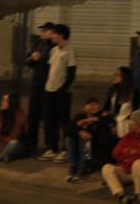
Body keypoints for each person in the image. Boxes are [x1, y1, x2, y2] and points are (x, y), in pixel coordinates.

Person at [38, 23, 76, 161]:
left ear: (61, 35)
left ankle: (65, 150)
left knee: (63, 121)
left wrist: (63, 89)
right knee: (49, 120)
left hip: (62, 93)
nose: (52, 36)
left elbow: (71, 74)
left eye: (54, 33)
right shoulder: (53, 50)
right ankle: (52, 148)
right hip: (49, 90)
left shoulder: (69, 51)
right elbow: (50, 69)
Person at [100, 109, 140, 204]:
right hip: (125, 169)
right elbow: (115, 153)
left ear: (139, 123)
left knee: (139, 163)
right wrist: (129, 152)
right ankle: (121, 195)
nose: (129, 123)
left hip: (139, 171)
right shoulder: (128, 136)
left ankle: (139, 194)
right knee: (107, 168)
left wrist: (126, 153)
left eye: (132, 121)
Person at [66, 97, 112, 182]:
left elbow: (109, 119)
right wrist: (80, 132)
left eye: (95, 105)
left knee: (84, 140)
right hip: (80, 145)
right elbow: (68, 129)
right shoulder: (79, 116)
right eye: (90, 105)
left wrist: (90, 120)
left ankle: (81, 170)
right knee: (70, 138)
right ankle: (72, 167)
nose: (93, 107)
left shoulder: (101, 115)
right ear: (85, 107)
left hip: (94, 146)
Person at [24, 22, 53, 153]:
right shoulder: (38, 43)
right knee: (33, 113)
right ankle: (31, 142)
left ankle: (49, 144)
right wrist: (31, 58)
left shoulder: (53, 46)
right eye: (42, 31)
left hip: (47, 83)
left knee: (47, 115)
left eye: (46, 31)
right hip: (36, 82)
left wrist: (40, 58)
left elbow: (51, 61)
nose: (43, 33)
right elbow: (29, 59)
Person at [105, 66, 135, 137]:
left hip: (126, 120)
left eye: (118, 75)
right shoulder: (113, 90)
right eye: (115, 75)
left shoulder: (133, 92)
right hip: (112, 119)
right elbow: (106, 107)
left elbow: (135, 109)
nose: (115, 77)